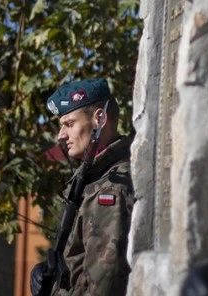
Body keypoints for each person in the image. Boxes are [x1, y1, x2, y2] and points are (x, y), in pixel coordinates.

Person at [34, 78, 135, 296]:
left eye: (69, 124)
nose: (61, 135)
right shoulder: (93, 179)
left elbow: (103, 286)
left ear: (99, 119)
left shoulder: (110, 189)